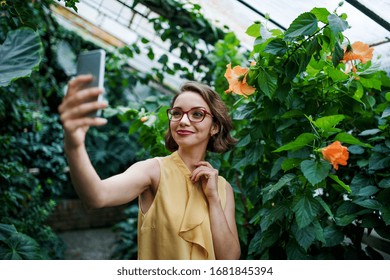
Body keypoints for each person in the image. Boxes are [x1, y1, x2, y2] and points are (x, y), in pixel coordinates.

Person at [58, 75, 241, 260]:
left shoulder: (222, 188)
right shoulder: (153, 171)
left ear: (215, 127)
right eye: (177, 113)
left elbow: (230, 259)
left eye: (197, 114)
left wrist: (213, 199)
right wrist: (74, 145)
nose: (184, 121)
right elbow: (97, 196)